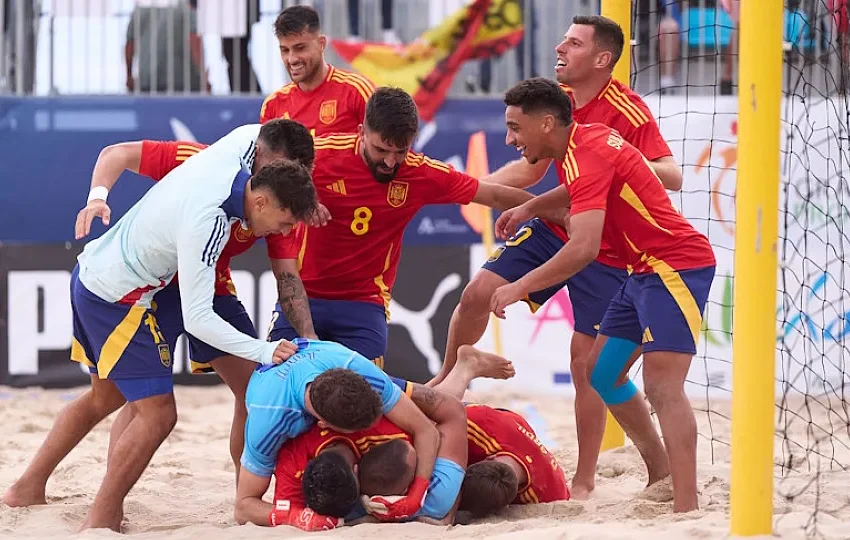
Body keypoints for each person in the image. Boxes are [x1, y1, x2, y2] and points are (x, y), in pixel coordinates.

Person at [3, 124, 318, 531]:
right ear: (261, 196)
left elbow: (267, 137)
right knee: (157, 413)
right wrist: (262, 349)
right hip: (117, 296)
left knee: (109, 397)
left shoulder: (243, 145)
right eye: (286, 221)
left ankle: (28, 487)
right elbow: (199, 317)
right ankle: (101, 519)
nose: (286, 231)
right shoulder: (212, 221)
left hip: (110, 274)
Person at [436, 14, 682, 500]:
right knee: (477, 293)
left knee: (587, 365)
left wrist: (618, 162)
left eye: (573, 42)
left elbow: (672, 176)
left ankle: (589, 477)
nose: (560, 48)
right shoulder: (558, 104)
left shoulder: (627, 113)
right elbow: (527, 174)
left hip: (607, 248)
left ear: (602, 58)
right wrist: (459, 190)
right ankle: (447, 377)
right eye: (563, 39)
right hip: (554, 225)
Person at [490, 78, 716, 513]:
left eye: (516, 128)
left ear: (547, 123)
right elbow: (579, 187)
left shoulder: (588, 148)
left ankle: (686, 507)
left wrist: (519, 286)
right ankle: (662, 472)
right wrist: (530, 206)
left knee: (663, 386)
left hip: (676, 264)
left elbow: (583, 247)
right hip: (642, 269)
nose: (509, 139)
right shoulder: (581, 143)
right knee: (602, 371)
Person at [69, 119, 317, 480]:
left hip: (211, 289)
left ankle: (244, 490)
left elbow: (286, 276)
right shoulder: (197, 161)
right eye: (276, 168)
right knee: (135, 399)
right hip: (158, 288)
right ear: (258, 154)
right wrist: (97, 199)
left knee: (254, 390)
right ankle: (106, 495)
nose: (280, 177)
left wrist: (308, 335)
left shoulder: (280, 206)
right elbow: (116, 154)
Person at [266, 86, 555, 368]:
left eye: (400, 151)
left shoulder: (420, 172)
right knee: (269, 389)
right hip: (302, 294)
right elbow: (262, 181)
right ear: (361, 132)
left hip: (364, 302)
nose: (390, 162)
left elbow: (490, 193)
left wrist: (557, 215)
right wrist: (301, 197)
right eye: (381, 150)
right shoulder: (318, 155)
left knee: (358, 403)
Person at [267, 345, 512, 530]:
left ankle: (461, 370)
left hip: (347, 385)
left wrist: (302, 517)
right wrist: (422, 497)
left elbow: (255, 507)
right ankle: (464, 369)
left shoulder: (294, 449)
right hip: (342, 379)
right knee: (441, 410)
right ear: (356, 470)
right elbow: (448, 417)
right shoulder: (435, 497)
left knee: (434, 408)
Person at [235, 339, 444, 527]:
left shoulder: (357, 367)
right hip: (271, 393)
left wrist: (418, 494)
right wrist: (294, 516)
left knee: (446, 405)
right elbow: (243, 506)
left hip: (326, 358)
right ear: (323, 425)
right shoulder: (268, 422)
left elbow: (426, 430)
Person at [260, 5, 374, 135]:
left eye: (300, 48)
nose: (292, 59)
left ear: (321, 44)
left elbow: (393, 149)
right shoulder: (273, 105)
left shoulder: (358, 92)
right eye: (285, 50)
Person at [459, 404, 570, 518]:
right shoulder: (480, 422)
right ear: (489, 458)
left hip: (509, 430)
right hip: (504, 419)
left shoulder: (549, 494)